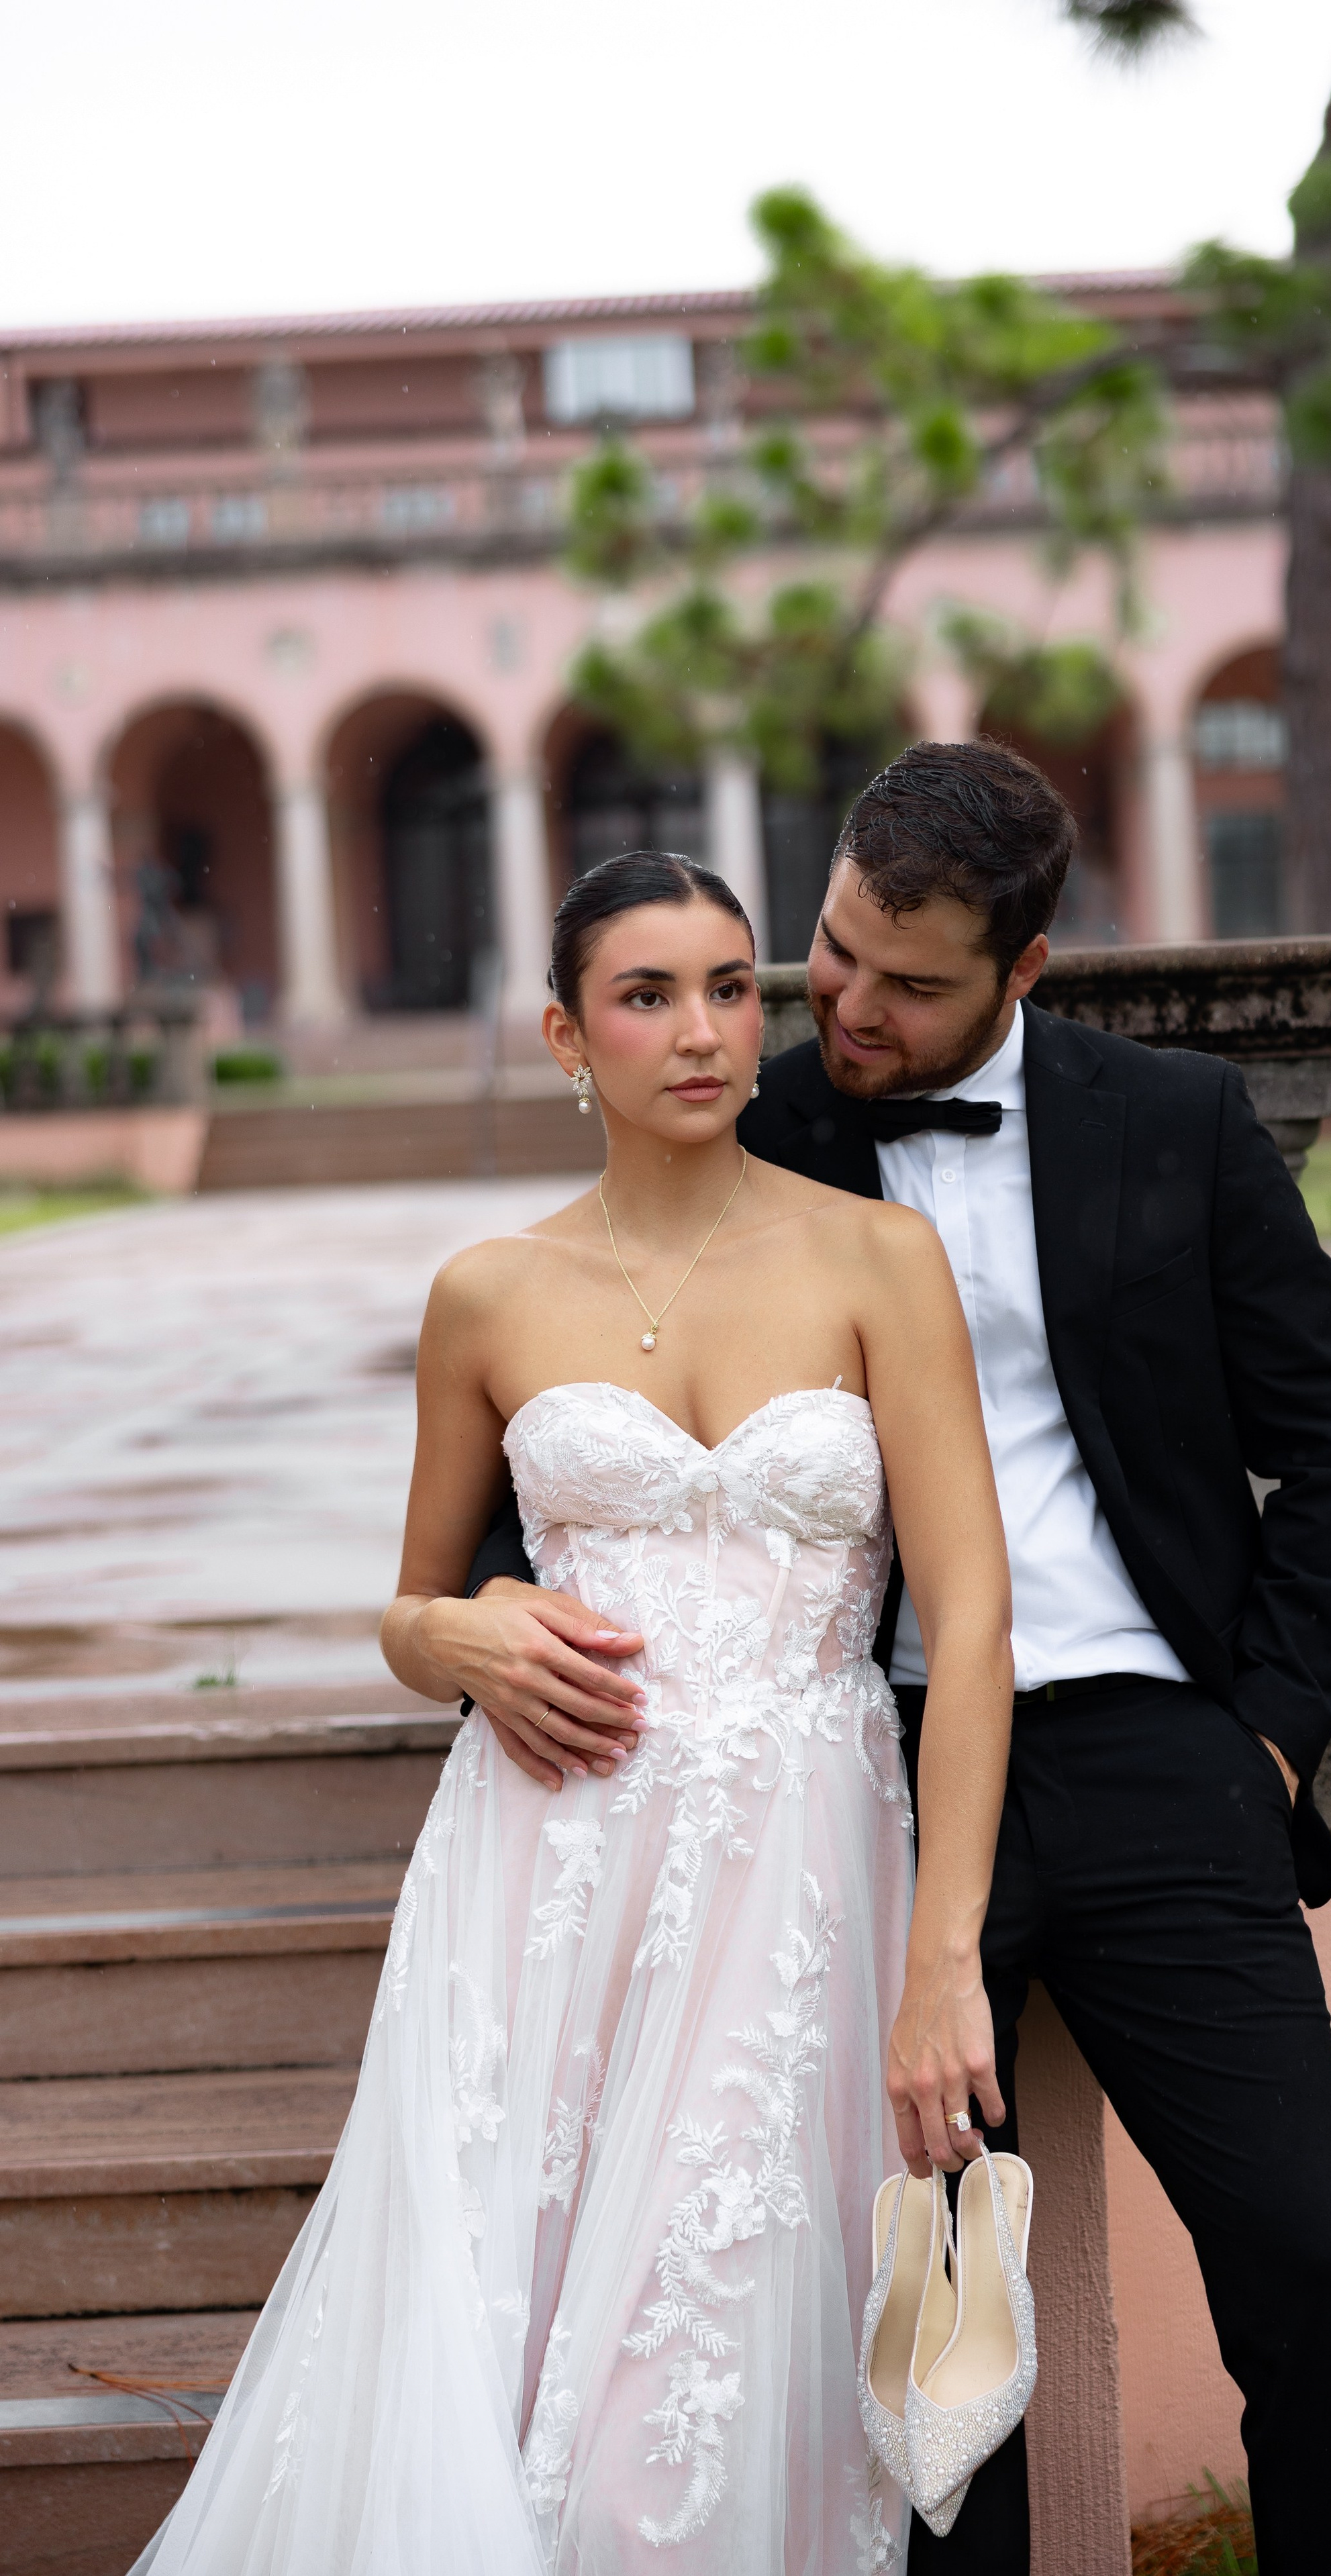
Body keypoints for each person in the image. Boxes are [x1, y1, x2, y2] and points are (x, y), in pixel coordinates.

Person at [458, 743, 1331, 2576]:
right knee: (911, 2296)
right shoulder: (760, 1121)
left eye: (913, 984)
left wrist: (1274, 1734)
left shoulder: (1179, 1120)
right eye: (831, 953)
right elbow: (581, 1405)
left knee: (1305, 2246)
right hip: (856, 1775)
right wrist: (487, 1606)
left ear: (1027, 970)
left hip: (1159, 1756)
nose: (847, 1007)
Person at [131, 852, 1016, 2576]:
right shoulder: (486, 1291)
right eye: (646, 995)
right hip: (538, 1881)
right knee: (494, 2360)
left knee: (676, 2429)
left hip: (797, 1882)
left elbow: (969, 1622)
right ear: (562, 1033)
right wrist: (461, 1637)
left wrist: (942, 1957)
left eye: (729, 988)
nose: (703, 1031)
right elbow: (409, 1603)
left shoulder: (876, 1259)